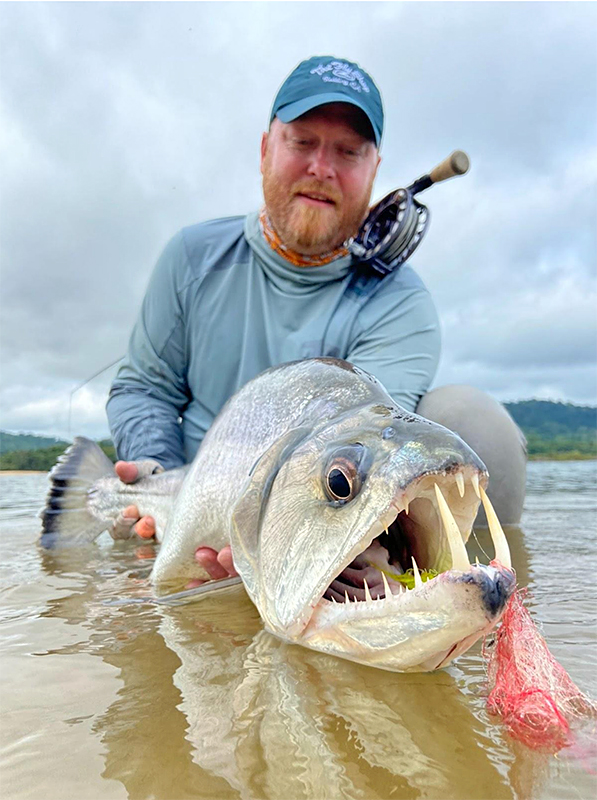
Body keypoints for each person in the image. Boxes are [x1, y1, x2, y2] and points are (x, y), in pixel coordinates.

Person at [106, 56, 526, 582]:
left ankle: (457, 599)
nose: (322, 168)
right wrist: (154, 470)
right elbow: (144, 389)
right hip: (190, 484)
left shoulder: (402, 302)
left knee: (473, 421)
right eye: (302, 142)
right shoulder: (191, 257)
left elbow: (357, 440)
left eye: (348, 151)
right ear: (265, 151)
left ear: (374, 170)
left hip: (322, 505)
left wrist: (275, 531)